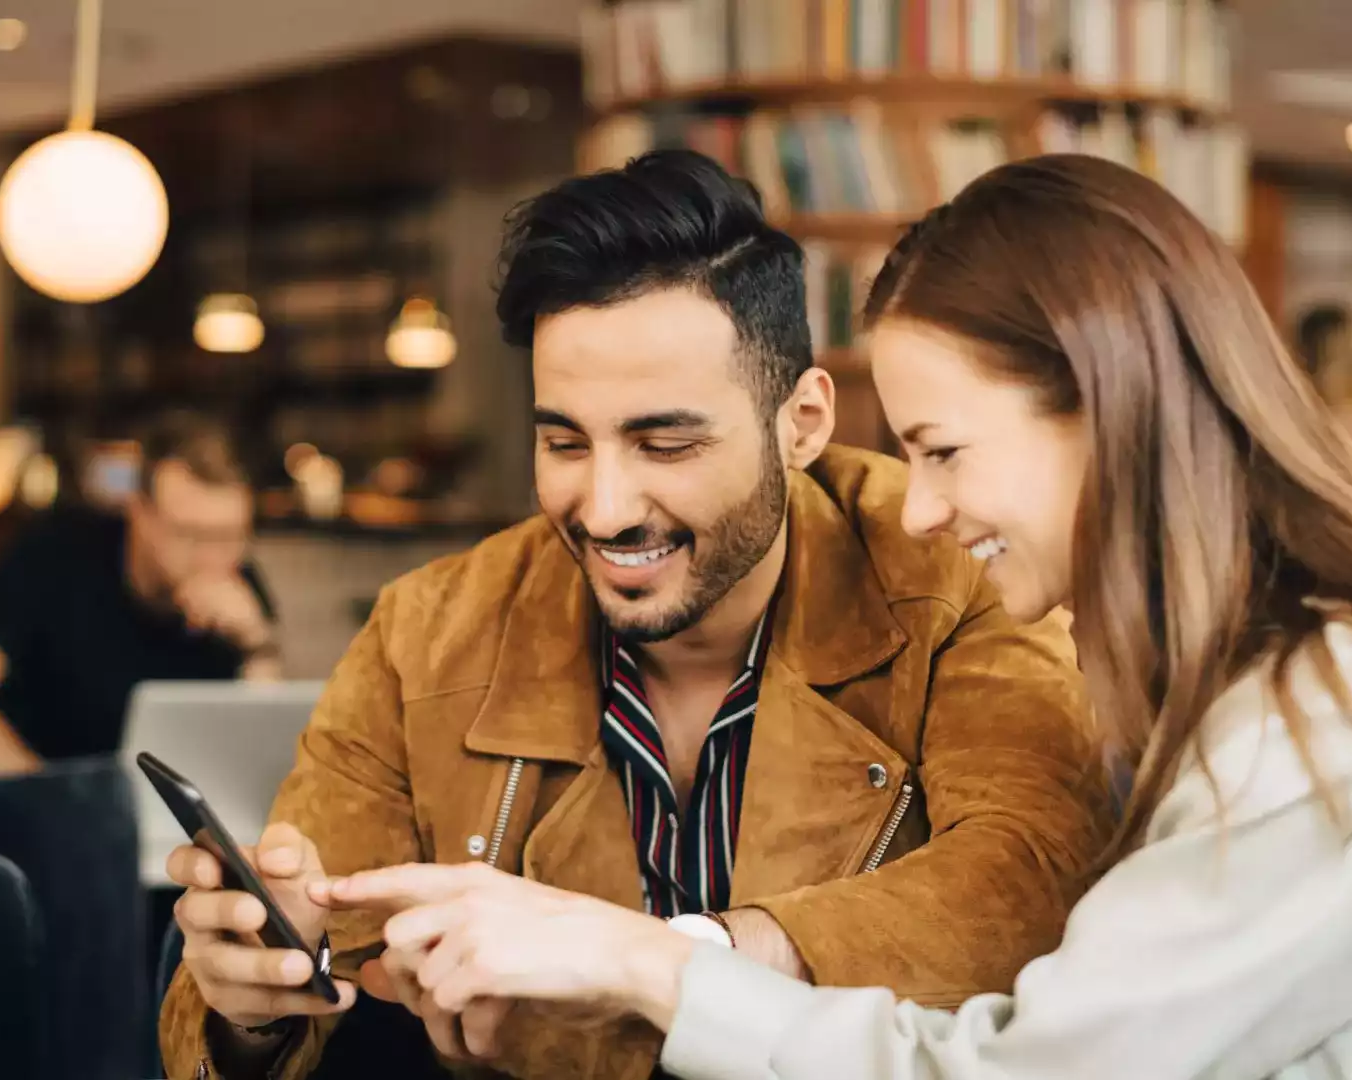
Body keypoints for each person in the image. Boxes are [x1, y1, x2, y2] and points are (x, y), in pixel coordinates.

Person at [318, 154, 1352, 1079]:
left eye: (941, 450)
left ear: (1106, 409)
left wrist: (651, 962)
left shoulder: (1330, 718)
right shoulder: (1297, 683)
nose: (916, 509)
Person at [158, 150, 1113, 1080]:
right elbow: (322, 977)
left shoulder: (956, 564)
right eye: (565, 442)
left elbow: (1030, 879)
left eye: (665, 442)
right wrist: (254, 1002)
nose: (605, 508)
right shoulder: (426, 632)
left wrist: (676, 959)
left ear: (803, 424)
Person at [0, 412, 281, 775]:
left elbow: (259, 763)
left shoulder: (240, 584)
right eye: (190, 534)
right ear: (139, 513)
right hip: (35, 812)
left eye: (229, 536)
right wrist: (44, 797)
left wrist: (256, 643)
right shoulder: (57, 556)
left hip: (163, 828)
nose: (212, 557)